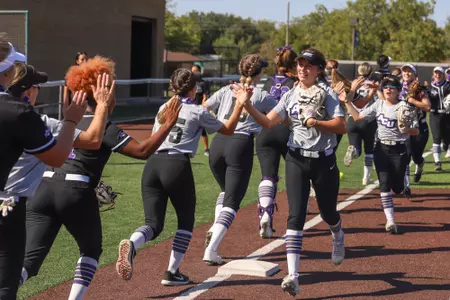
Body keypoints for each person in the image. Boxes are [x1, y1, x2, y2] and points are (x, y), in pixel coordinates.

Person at [20, 56, 181, 300]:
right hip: (75, 190)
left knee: (29, 261)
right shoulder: (104, 126)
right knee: (91, 250)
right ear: (104, 94)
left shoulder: (67, 120)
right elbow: (142, 151)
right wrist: (167, 125)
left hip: (42, 189)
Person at [116, 68, 249, 286]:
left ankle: (132, 242)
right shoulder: (197, 111)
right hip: (176, 165)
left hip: (153, 164)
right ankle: (171, 271)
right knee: (185, 220)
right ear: (194, 87)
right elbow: (229, 129)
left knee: (153, 223)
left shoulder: (163, 107)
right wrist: (240, 104)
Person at [235, 48, 347, 297]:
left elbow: (342, 126)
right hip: (296, 158)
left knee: (328, 212)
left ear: (318, 70)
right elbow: (267, 123)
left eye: (308, 66)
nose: (302, 69)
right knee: (295, 216)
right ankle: (293, 276)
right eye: (300, 65)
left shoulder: (327, 93)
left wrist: (316, 122)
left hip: (323, 161)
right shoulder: (290, 94)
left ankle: (337, 234)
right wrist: (247, 105)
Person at [0, 37, 86, 300]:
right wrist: (71, 120)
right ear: (9, 71)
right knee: (5, 286)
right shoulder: (17, 111)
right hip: (5, 207)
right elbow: (58, 157)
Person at [202, 54, 277, 266]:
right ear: (259, 73)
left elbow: (205, 107)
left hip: (218, 142)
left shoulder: (227, 89)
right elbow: (281, 116)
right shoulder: (261, 94)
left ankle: (215, 229)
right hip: (240, 144)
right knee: (232, 202)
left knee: (226, 192)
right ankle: (212, 248)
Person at [6, 65, 111, 201]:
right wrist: (102, 104)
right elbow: (93, 141)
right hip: (10, 204)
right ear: (28, 92)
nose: (38, 90)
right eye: (37, 86)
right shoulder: (39, 122)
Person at [341, 75, 419, 235]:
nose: (388, 89)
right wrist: (347, 102)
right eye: (386, 86)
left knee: (397, 188)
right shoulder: (378, 104)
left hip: (399, 150)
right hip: (382, 149)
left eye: (392, 86)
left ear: (398, 90)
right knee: (384, 184)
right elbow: (356, 117)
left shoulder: (405, 106)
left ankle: (403, 181)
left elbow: (415, 131)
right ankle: (390, 220)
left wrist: (405, 128)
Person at [256, 46, 297, 238]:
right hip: (288, 131)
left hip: (266, 130)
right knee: (295, 177)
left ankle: (265, 214)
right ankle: (295, 222)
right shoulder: (297, 83)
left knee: (267, 177)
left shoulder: (266, 83)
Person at [342, 62, 378, 185]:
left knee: (356, 147)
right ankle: (366, 178)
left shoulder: (353, 83)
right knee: (369, 150)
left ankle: (353, 151)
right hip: (367, 120)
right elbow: (379, 102)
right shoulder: (372, 84)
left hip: (352, 119)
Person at [399, 64, 430, 188]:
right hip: (403, 128)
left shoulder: (421, 89)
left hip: (419, 128)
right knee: (405, 156)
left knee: (416, 157)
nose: (407, 73)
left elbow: (427, 107)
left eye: (409, 71)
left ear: (415, 74)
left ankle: (420, 164)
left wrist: (412, 101)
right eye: (404, 71)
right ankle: (405, 185)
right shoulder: (396, 87)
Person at [427, 66, 450, 170]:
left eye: (439, 73)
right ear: (433, 74)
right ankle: (437, 162)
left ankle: (446, 145)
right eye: (436, 73)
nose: (438, 75)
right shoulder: (429, 88)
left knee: (447, 138)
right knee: (436, 137)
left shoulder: (448, 86)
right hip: (434, 115)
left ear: (443, 75)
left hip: (447, 115)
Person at [191, 63, 211, 156]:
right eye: (192, 71)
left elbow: (205, 96)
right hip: (190, 108)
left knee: (202, 130)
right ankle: (189, 149)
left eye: (195, 71)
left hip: (199, 108)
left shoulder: (203, 83)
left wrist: (202, 106)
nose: (193, 72)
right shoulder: (190, 82)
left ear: (199, 71)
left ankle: (207, 149)